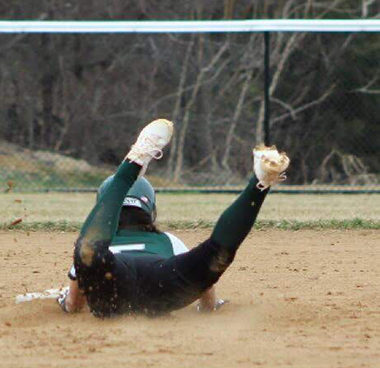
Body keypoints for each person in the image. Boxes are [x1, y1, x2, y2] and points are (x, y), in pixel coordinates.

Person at [58, 118, 290, 317]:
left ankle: (135, 160)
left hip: (112, 284)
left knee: (89, 250)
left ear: (103, 211)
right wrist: (208, 309)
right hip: (164, 285)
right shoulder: (169, 240)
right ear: (150, 209)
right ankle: (259, 183)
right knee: (214, 254)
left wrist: (66, 304)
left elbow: (75, 304)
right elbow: (205, 289)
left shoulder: (101, 240)